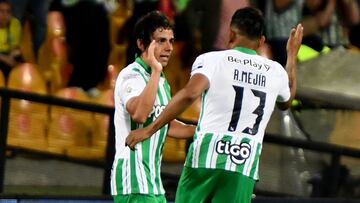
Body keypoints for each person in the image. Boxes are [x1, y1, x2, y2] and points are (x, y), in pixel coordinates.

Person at [126, 7, 303, 203]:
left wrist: (150, 129)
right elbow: (287, 101)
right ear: (261, 41)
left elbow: (190, 94)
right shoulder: (275, 71)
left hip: (205, 159)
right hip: (242, 164)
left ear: (231, 33)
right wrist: (291, 57)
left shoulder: (211, 60)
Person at [110, 11, 195, 203]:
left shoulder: (162, 82)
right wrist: (156, 70)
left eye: (171, 41)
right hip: (133, 179)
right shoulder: (130, 75)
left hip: (152, 182)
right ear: (142, 44)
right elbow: (140, 114)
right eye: (161, 41)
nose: (169, 48)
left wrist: (200, 130)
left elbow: (165, 124)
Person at [0, 0, 23, 81]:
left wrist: (11, 56)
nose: (5, 15)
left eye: (8, 12)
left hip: (9, 53)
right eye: (1, 11)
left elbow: (16, 46)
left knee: (20, 60)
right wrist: (6, 59)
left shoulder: (15, 24)